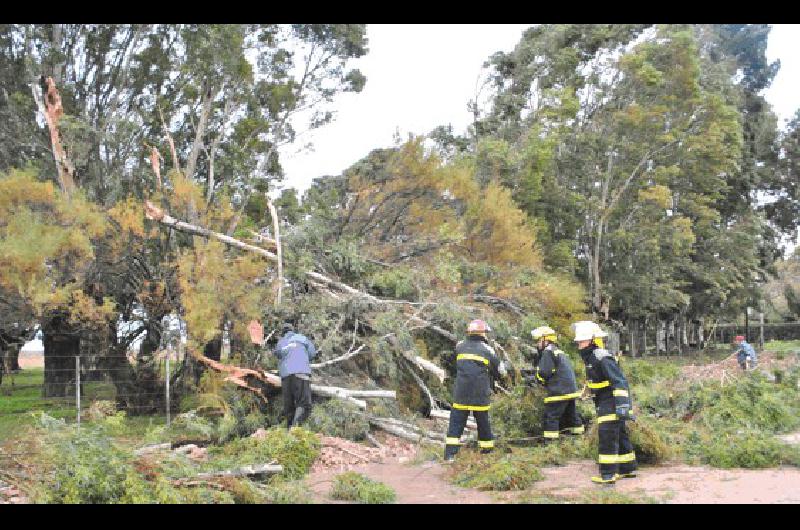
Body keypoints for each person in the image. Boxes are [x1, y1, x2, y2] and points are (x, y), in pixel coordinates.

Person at [573, 321, 637, 484]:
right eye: (578, 341)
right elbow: (597, 381)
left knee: (607, 435)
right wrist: (587, 392)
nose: (579, 344)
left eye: (582, 341)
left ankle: (608, 475)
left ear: (593, 340)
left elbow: (619, 382)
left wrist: (623, 407)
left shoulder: (601, 357)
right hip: (604, 399)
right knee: (620, 433)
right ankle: (627, 468)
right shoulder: (591, 357)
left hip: (611, 401)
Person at [444, 319, 508, 461]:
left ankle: (450, 455)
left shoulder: (459, 346)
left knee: (455, 425)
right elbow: (501, 371)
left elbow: (452, 365)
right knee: (483, 424)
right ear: (482, 333)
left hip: (461, 393)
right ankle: (487, 453)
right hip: (480, 394)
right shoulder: (487, 350)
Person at [249, 320, 318, 428]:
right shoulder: (302, 338)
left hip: (285, 377)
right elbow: (312, 354)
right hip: (301, 373)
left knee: (289, 407)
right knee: (304, 404)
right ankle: (295, 430)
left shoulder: (281, 342)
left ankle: (289, 432)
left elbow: (278, 354)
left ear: (283, 333)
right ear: (293, 330)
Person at [527, 326, 584, 441]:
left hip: (559, 390)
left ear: (545, 340)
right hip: (570, 390)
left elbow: (544, 372)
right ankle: (578, 439)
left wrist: (537, 380)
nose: (537, 344)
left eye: (538, 341)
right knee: (571, 415)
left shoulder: (548, 352)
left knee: (551, 416)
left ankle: (550, 442)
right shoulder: (558, 351)